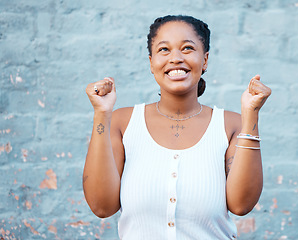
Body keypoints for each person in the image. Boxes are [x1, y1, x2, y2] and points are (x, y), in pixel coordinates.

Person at [83, 15, 271, 239]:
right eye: (164, 49)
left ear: (205, 60)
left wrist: (250, 114)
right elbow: (102, 207)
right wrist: (102, 114)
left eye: (188, 48)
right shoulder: (122, 123)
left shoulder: (231, 125)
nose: (176, 58)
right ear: (151, 62)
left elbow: (241, 205)